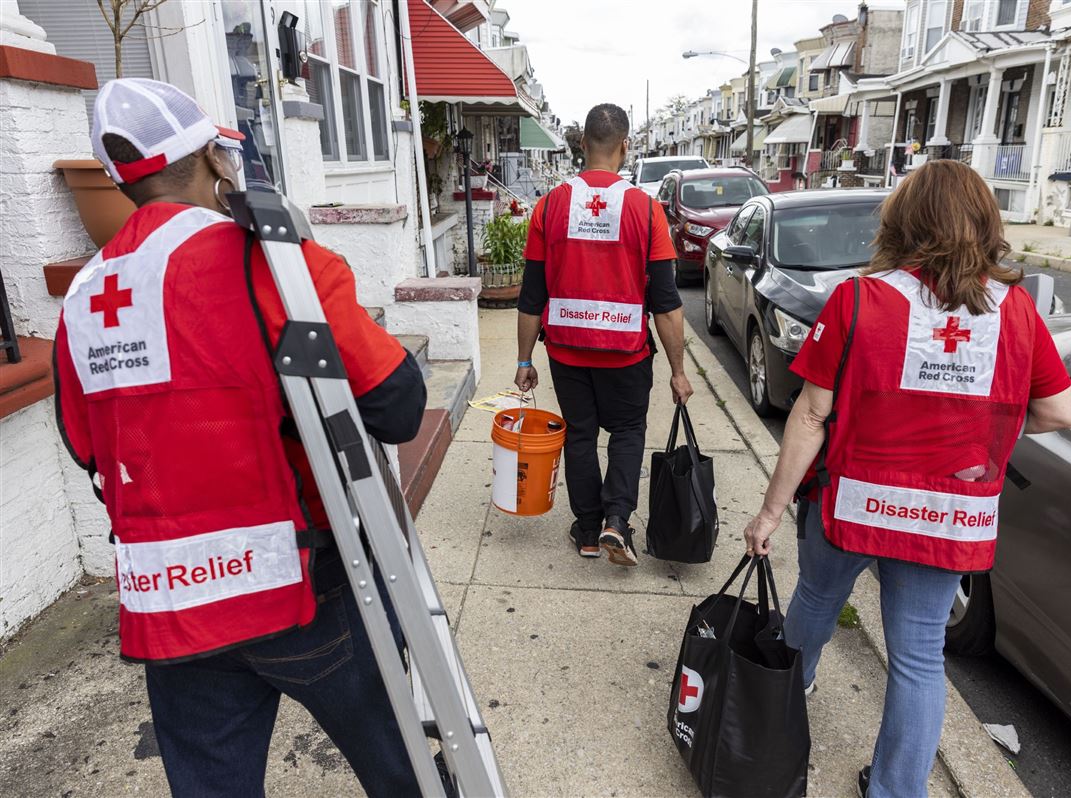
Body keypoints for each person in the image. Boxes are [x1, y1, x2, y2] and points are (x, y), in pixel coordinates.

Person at [53, 79, 426, 798]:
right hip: (301, 585)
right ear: (209, 158)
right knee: (400, 767)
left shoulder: (84, 299)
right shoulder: (273, 264)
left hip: (168, 600)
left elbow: (88, 447)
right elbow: (396, 406)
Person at [741, 160, 1071, 798]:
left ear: (904, 221)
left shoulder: (860, 299)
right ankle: (896, 791)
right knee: (919, 658)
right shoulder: (1017, 312)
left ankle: (791, 683)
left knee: (816, 597)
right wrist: (979, 418)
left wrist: (769, 513)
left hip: (859, 502)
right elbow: (1061, 410)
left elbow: (812, 414)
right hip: (949, 513)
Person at [515, 103, 693, 566]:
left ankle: (589, 531)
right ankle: (617, 520)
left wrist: (523, 360)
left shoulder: (550, 205)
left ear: (581, 144)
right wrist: (678, 370)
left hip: (568, 353)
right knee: (629, 432)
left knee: (579, 435)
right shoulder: (646, 210)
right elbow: (667, 303)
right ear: (625, 145)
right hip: (626, 353)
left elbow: (532, 294)